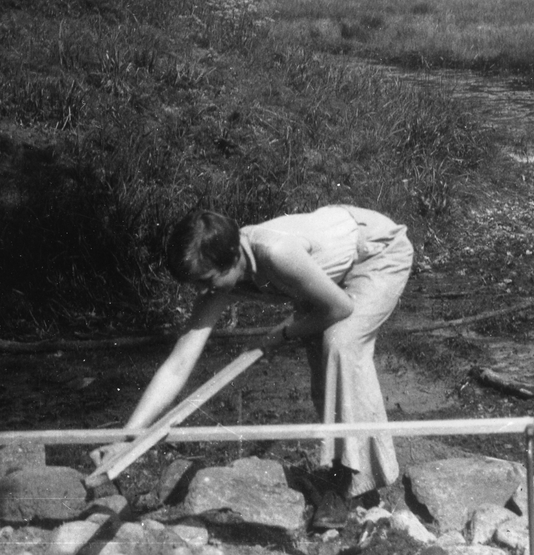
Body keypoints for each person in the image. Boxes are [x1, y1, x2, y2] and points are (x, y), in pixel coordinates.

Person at [90, 204, 413, 525]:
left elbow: (340, 308)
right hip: (329, 270)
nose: (203, 291)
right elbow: (179, 362)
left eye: (206, 281)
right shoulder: (222, 267)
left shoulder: (276, 252)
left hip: (377, 252)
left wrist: (283, 333)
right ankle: (351, 476)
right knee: (324, 364)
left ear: (233, 256)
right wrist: (127, 438)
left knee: (341, 342)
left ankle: (348, 485)